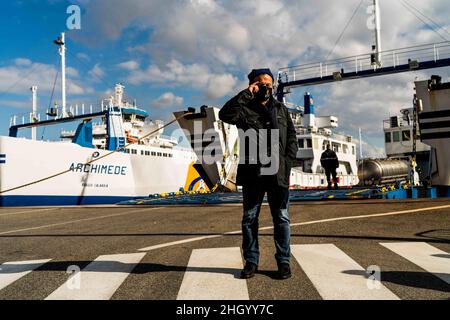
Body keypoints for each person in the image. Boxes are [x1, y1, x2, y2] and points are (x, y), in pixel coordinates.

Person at [219, 68, 298, 280]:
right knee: (249, 218)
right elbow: (224, 115)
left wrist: (287, 162)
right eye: (260, 82)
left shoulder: (282, 109)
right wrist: (246, 94)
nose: (266, 85)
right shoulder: (243, 108)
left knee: (281, 217)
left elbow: (291, 137)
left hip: (277, 172)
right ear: (253, 84)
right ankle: (251, 262)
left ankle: (283, 262)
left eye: (268, 81)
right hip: (253, 171)